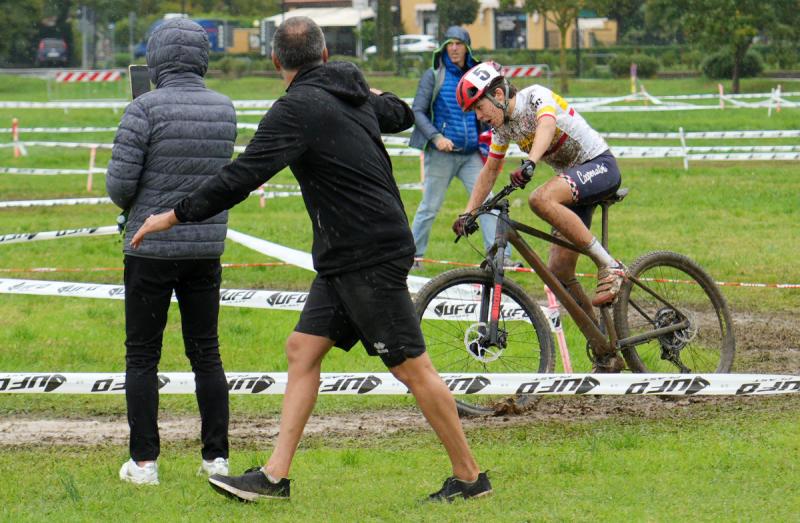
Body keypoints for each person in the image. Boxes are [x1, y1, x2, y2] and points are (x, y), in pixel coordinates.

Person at [130, 17, 492, 503]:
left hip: (368, 253)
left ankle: (469, 478)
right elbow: (400, 112)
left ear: (275, 61)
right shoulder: (350, 93)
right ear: (323, 55)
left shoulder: (294, 109)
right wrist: (360, 85)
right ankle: (274, 477)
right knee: (302, 349)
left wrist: (174, 215)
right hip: (346, 254)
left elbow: (241, 176)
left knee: (411, 367)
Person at [106, 18, 236, 485]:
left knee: (142, 356)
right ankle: (216, 458)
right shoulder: (225, 108)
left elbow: (120, 186)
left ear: (156, 57)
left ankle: (144, 462)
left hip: (150, 248)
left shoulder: (143, 109)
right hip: (205, 247)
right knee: (207, 353)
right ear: (203, 56)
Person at [454, 61, 626, 372]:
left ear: (497, 95)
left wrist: (531, 162)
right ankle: (604, 346)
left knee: (539, 198)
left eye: (479, 107)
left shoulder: (535, 96)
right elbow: (491, 170)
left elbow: (546, 126)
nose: (479, 117)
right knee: (558, 270)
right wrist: (469, 212)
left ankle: (610, 265)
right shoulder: (502, 128)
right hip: (573, 182)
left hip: (599, 166)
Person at [408, 26, 512, 269]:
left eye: (458, 44)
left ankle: (500, 257)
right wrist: (436, 138)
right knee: (429, 207)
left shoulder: (477, 76)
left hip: (471, 154)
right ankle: (412, 258)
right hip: (440, 155)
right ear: (443, 48)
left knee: (487, 202)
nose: (454, 48)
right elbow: (417, 111)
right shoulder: (433, 76)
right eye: (449, 44)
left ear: (467, 48)